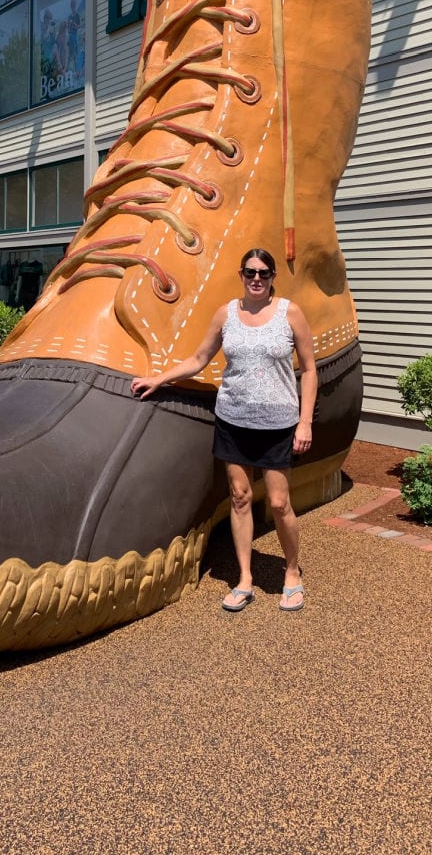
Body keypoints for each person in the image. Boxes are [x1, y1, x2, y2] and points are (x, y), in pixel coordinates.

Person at [130, 247, 317, 613]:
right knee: (240, 497)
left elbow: (309, 369)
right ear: (242, 275)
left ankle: (292, 571)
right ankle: (244, 578)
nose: (257, 279)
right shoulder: (227, 314)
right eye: (250, 272)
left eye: (264, 272)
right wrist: (159, 378)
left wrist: (305, 421)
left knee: (279, 503)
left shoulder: (289, 313)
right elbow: (199, 359)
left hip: (278, 423)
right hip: (233, 420)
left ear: (273, 276)